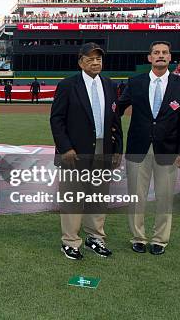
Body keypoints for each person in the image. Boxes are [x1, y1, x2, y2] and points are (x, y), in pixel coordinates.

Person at [117, 41, 180, 255]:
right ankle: (138, 237)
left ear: (170, 58)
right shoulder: (135, 82)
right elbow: (118, 109)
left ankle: (160, 239)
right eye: (156, 53)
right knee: (136, 196)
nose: (161, 55)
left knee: (165, 196)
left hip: (167, 149)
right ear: (149, 58)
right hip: (138, 148)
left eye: (165, 53)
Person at [50, 42, 122, 260]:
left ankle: (95, 237)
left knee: (98, 196)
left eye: (98, 58)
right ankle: (70, 241)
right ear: (80, 62)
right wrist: (65, 148)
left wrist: (117, 148)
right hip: (75, 152)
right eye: (90, 58)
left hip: (103, 148)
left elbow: (115, 120)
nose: (95, 62)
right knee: (72, 197)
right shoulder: (68, 85)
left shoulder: (109, 84)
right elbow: (56, 119)